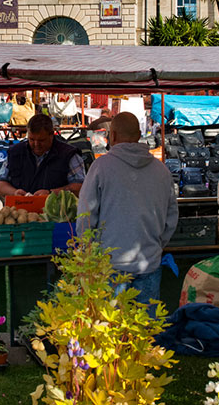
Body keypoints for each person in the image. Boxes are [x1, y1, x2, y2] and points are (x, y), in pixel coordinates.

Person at [76, 112, 178, 306]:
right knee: (145, 329)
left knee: (108, 330)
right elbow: (171, 218)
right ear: (139, 135)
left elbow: (85, 217)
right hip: (148, 264)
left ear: (111, 135)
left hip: (109, 267)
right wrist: (155, 245)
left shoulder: (100, 167)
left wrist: (87, 252)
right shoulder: (161, 170)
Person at [0, 113, 85, 198]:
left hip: (56, 214)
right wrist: (14, 192)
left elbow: (81, 187)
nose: (36, 144)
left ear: (51, 135)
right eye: (32, 139)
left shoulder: (68, 155)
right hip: (19, 212)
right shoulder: (15, 152)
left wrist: (52, 193)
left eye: (41, 140)